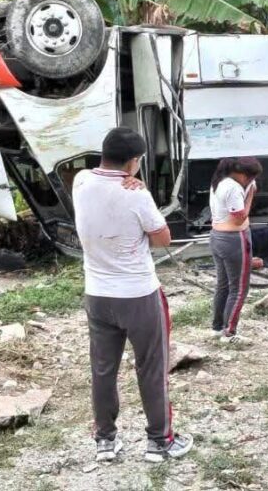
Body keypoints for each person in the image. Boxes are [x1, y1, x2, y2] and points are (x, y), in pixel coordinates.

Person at [72, 127, 193, 463]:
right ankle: (160, 441)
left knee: (103, 369)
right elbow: (163, 239)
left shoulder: (80, 182)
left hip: (97, 295)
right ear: (133, 162)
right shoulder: (136, 194)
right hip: (138, 294)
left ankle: (106, 442)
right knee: (151, 368)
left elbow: (98, 183)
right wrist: (140, 190)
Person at [209, 156, 263, 343]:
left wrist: (247, 188)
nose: (249, 181)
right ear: (240, 173)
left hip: (217, 236)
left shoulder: (220, 182)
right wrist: (249, 195)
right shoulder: (233, 188)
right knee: (239, 288)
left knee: (223, 285)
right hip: (234, 238)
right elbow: (239, 218)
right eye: (249, 177)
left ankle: (217, 327)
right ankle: (229, 332)